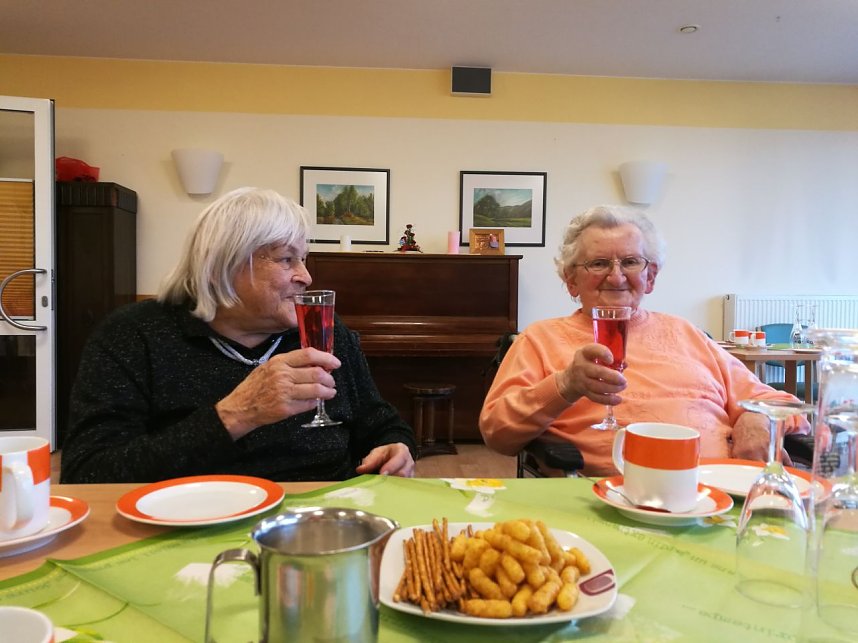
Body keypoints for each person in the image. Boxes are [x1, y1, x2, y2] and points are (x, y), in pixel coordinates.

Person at [61, 187, 416, 483]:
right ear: (222, 267)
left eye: (304, 259)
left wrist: (395, 446)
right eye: (286, 259)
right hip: (188, 525)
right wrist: (236, 414)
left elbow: (380, 422)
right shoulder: (134, 336)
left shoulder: (322, 328)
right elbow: (87, 475)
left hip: (314, 525)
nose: (306, 277)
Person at [479, 205, 808, 476]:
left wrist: (755, 418)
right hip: (609, 499)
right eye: (598, 263)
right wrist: (564, 385)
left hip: (722, 490)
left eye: (631, 261)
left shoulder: (686, 333)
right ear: (571, 281)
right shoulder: (540, 339)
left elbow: (779, 403)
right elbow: (497, 433)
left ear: (650, 278)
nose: (617, 275)